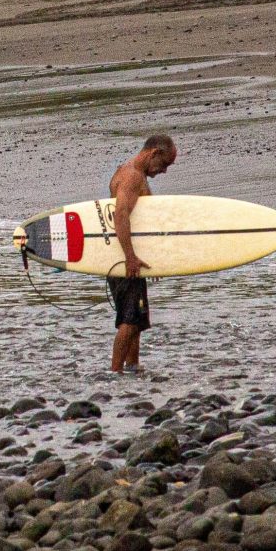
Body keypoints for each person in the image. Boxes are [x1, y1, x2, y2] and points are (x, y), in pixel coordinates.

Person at [106, 135, 175, 374]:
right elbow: (121, 215)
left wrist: (150, 257)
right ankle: (115, 374)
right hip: (124, 259)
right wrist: (130, 257)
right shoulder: (132, 176)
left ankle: (132, 368)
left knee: (136, 319)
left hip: (128, 256)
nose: (164, 171)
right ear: (153, 153)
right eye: (164, 164)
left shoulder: (129, 171)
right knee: (128, 320)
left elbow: (140, 223)